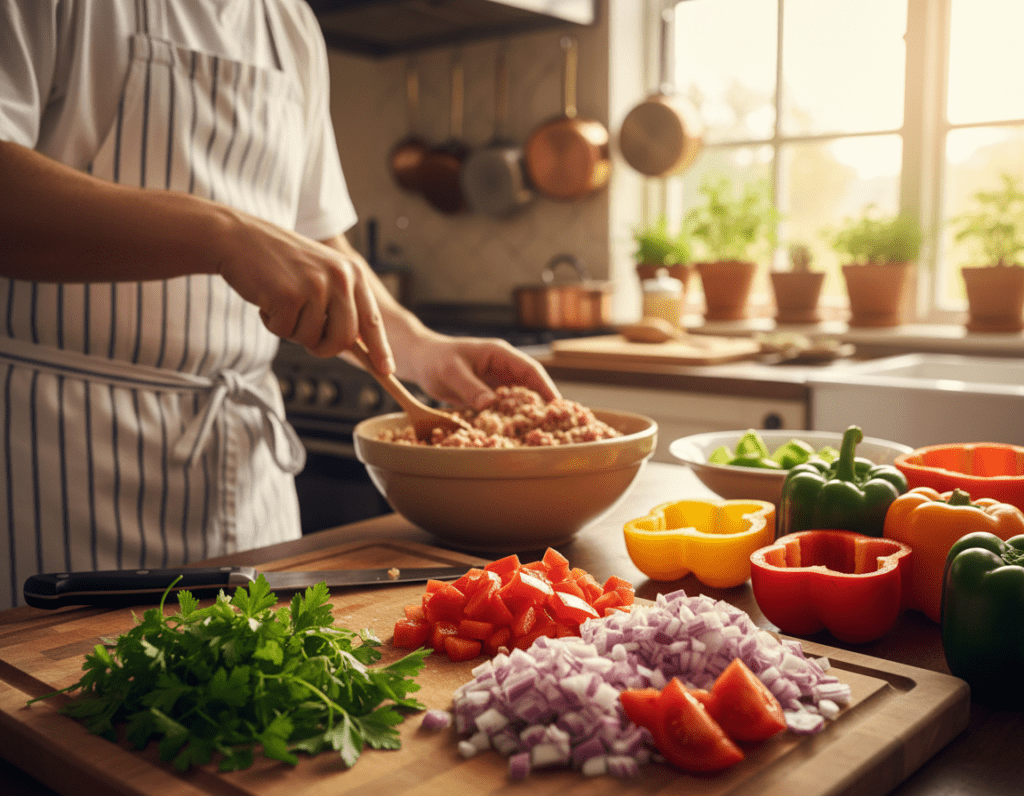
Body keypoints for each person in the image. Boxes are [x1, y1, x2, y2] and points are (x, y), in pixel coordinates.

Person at [0, 0, 560, 610]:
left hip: (248, 473)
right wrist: (223, 234)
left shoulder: (287, 22)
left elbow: (315, 239)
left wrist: (419, 348)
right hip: (63, 458)